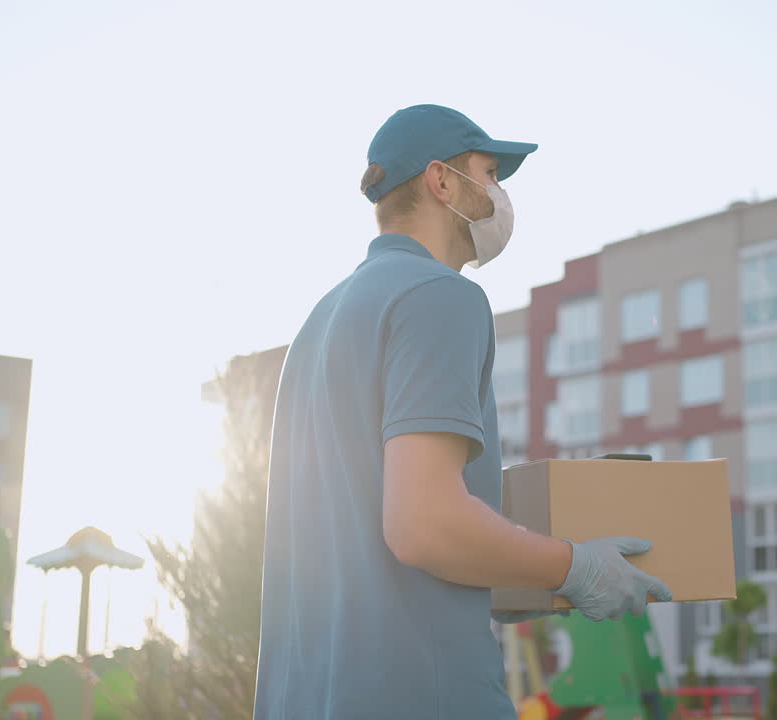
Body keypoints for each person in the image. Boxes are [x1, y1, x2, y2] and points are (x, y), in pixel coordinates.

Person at [253, 105, 673, 720]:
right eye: (491, 174)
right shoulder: (441, 297)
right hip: (421, 696)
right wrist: (575, 566)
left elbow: (361, 544)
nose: (500, 194)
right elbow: (424, 525)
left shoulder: (318, 323)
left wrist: (518, 580)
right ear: (442, 182)